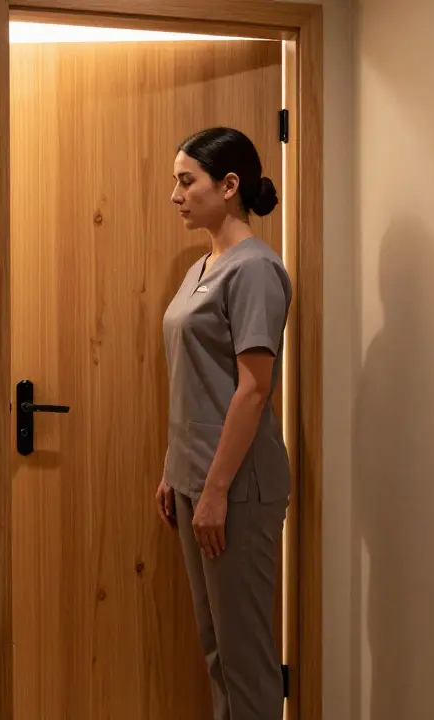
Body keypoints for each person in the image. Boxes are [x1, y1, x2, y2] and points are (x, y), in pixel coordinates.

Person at [157, 126, 293, 720]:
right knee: (217, 651)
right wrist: (174, 472)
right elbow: (192, 378)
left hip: (236, 487)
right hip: (194, 480)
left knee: (246, 655)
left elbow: (254, 389)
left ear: (229, 185)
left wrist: (214, 492)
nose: (175, 194)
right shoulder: (201, 266)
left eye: (187, 181)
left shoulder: (256, 270)